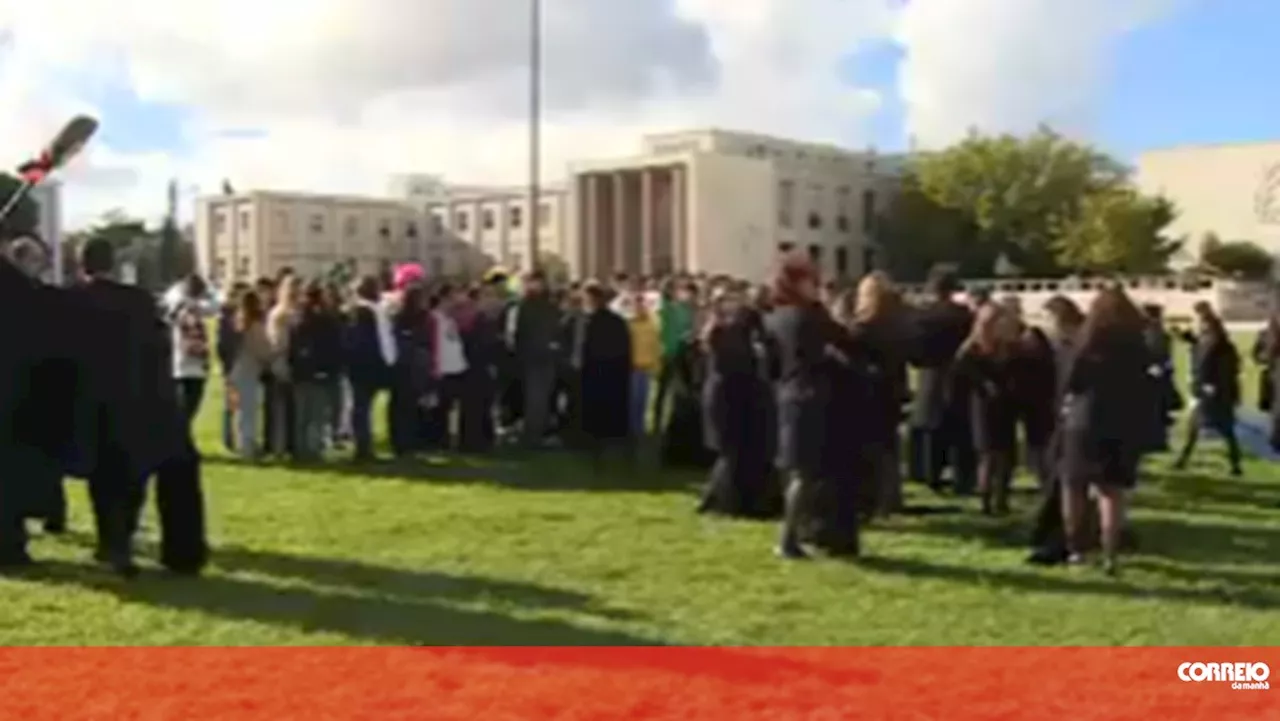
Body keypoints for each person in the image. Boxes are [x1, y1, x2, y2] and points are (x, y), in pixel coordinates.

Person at [70, 238, 186, 576]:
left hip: (92, 400)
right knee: (132, 473)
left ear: (82, 264)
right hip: (137, 399)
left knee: (102, 476)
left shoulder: (73, 299)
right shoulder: (139, 300)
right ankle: (124, 536)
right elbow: (158, 347)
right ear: (113, 262)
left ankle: (110, 540)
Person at [1059, 284, 1153, 575]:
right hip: (1123, 422)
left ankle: (1076, 548)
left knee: (1074, 487)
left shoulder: (1086, 344)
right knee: (1112, 493)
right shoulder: (1138, 345)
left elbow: (1071, 383)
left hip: (1084, 420)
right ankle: (1111, 553)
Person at [767, 253, 857, 559]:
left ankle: (792, 533)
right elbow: (846, 340)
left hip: (786, 393)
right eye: (810, 280)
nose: (815, 285)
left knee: (794, 468)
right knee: (806, 472)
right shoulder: (810, 316)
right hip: (812, 394)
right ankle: (789, 538)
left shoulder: (776, 316)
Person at [699, 286, 776, 518]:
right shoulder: (720, 331)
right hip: (728, 394)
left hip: (738, 393)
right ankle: (725, 500)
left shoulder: (738, 330)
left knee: (737, 450)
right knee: (732, 450)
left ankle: (723, 498)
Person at [1026, 295, 1086, 566]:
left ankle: (1061, 535)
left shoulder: (1077, 345)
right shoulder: (1058, 345)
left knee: (1063, 478)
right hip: (1060, 415)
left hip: (1071, 418)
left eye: (1048, 319)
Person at [844, 272, 909, 518]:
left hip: (867, 391)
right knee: (888, 446)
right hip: (891, 390)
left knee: (869, 449)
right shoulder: (898, 325)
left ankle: (872, 500)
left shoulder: (862, 328)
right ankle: (890, 498)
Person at [908, 266, 976, 495]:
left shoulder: (922, 316)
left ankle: (931, 473)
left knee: (932, 427)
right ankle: (963, 476)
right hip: (959, 373)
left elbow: (915, 350)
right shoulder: (964, 315)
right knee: (960, 427)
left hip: (931, 373)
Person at [953, 304, 1022, 516]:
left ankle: (1002, 498)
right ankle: (986, 499)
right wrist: (984, 384)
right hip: (984, 405)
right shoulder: (972, 349)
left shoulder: (1008, 346)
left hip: (1006, 405)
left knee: (1007, 455)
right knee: (989, 455)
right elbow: (961, 373)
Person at [1173, 301, 1243, 476]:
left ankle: (1183, 460)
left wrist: (1204, 384)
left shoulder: (1213, 339)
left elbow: (1205, 360)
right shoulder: (1216, 337)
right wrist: (1185, 336)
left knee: (1199, 425)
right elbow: (1200, 347)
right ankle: (1235, 464)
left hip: (1212, 390)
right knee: (1223, 428)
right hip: (1218, 390)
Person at [573, 282, 632, 467]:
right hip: (612, 371)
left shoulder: (590, 321)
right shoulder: (616, 321)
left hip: (597, 370)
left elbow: (584, 346)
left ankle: (595, 439)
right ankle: (610, 439)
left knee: (596, 408)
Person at [289, 280, 345, 462]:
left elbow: (293, 348)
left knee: (302, 415)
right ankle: (313, 449)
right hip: (320, 372)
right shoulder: (325, 319)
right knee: (316, 414)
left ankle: (300, 448)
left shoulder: (297, 318)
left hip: (300, 372)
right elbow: (333, 347)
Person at [344, 275, 396, 461]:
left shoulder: (365, 311)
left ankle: (363, 445)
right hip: (367, 364)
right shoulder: (365, 312)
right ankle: (362, 447)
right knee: (361, 408)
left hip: (365, 365)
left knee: (361, 407)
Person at [512, 271, 562, 449]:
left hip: (543, 356)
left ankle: (537, 432)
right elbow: (520, 334)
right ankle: (533, 434)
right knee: (535, 397)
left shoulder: (546, 305)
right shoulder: (529, 306)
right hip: (534, 357)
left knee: (541, 396)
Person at [654, 280, 697, 430]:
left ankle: (687, 421)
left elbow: (689, 329)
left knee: (685, 389)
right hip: (667, 353)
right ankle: (657, 422)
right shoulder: (666, 309)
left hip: (682, 353)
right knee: (663, 389)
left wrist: (689, 336)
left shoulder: (685, 310)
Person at [266, 275, 300, 457]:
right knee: (281, 407)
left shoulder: (294, 312)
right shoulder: (280, 314)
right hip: (282, 362)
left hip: (293, 362)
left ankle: (290, 443)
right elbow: (277, 342)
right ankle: (279, 445)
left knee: (292, 407)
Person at [627, 293, 661, 439]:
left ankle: (640, 430)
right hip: (633, 368)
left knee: (644, 401)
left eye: (642, 305)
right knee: (633, 400)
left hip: (647, 368)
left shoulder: (653, 324)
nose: (640, 308)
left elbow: (655, 346)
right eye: (637, 305)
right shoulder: (629, 325)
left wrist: (656, 366)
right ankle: (632, 429)